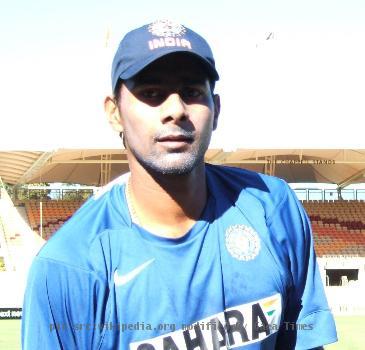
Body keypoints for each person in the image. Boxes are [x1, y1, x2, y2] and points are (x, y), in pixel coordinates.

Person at [22, 19, 337, 349]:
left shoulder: (274, 207)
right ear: (114, 113)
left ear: (216, 109)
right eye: (152, 94)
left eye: (192, 92)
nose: (175, 109)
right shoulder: (68, 266)